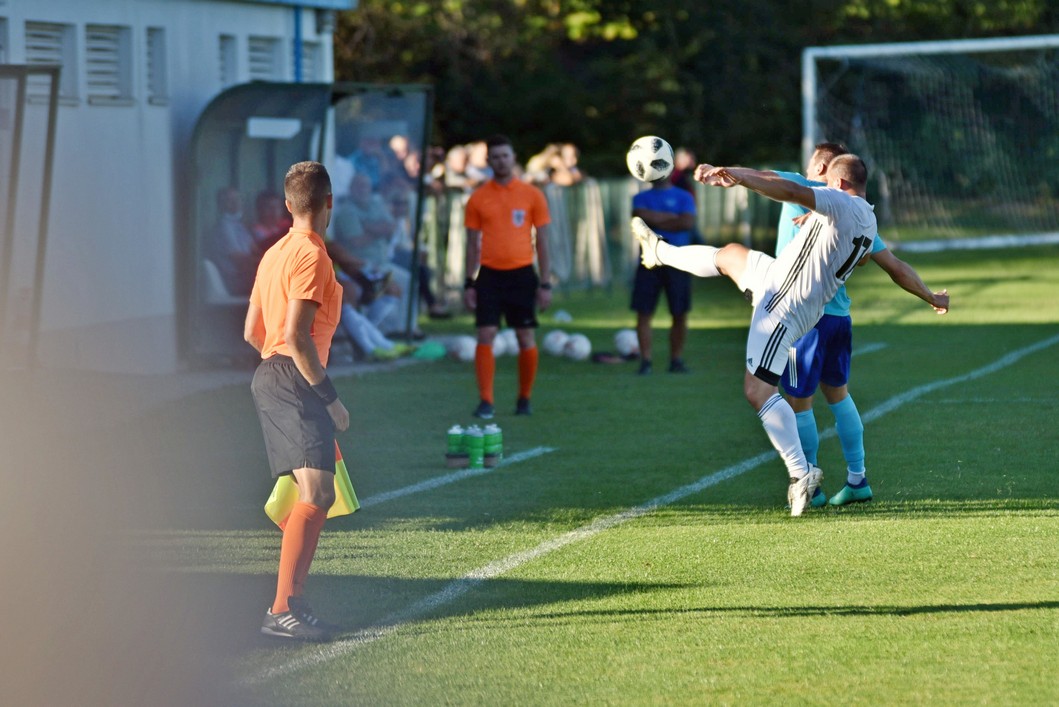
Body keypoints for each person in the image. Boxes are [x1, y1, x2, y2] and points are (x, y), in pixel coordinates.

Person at [632, 153, 878, 516]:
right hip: (781, 278)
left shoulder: (839, 200)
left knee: (757, 391)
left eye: (827, 185)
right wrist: (733, 174)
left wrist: (742, 180)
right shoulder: (868, 218)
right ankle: (659, 251)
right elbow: (860, 252)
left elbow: (790, 189)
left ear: (840, 184)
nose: (822, 189)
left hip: (785, 305)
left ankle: (801, 474)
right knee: (731, 255)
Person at [773, 143, 950, 508]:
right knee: (839, 396)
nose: (805, 174)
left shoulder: (806, 192)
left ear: (824, 170)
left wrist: (728, 174)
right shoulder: (859, 214)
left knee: (799, 402)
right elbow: (893, 265)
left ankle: (812, 488)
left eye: (811, 168)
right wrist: (931, 296)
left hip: (805, 318)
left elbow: (776, 182)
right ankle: (857, 479)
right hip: (840, 318)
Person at [244, 161, 349, 641]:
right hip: (295, 377)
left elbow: (253, 332)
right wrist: (329, 398)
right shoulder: (312, 255)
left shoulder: (274, 253)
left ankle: (291, 604)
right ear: (329, 202)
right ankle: (282, 609)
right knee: (317, 494)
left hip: (273, 374)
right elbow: (296, 336)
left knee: (316, 494)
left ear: (288, 206)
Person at [464, 134, 553, 419]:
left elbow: (543, 241)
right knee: (485, 332)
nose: (501, 160)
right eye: (496, 156)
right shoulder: (478, 197)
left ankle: (524, 397)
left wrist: (546, 283)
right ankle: (486, 400)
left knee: (525, 335)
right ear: (488, 161)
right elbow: (471, 243)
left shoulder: (532, 195)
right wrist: (469, 282)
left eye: (506, 155)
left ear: (514, 158)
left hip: (523, 274)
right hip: (489, 275)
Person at [630, 174, 697, 375]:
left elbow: (686, 223)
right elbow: (641, 219)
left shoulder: (684, 196)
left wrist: (656, 223)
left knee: (679, 312)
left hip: (678, 260)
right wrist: (672, 218)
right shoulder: (640, 198)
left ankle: (676, 360)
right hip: (648, 261)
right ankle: (646, 362)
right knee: (644, 311)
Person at [206, 187, 258, 296]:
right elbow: (240, 260)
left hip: (245, 277)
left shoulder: (238, 225)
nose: (236, 204)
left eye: (238, 199)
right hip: (234, 281)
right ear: (220, 205)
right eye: (230, 201)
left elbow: (255, 249)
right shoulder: (223, 228)